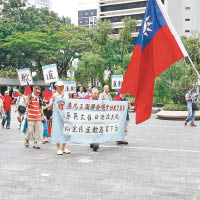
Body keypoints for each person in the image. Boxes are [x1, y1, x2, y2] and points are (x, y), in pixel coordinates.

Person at [50, 80, 71, 155]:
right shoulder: (54, 96)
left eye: (62, 86)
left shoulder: (66, 95)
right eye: (59, 86)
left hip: (65, 115)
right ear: (56, 87)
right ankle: (58, 148)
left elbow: (69, 104)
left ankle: (64, 147)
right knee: (57, 131)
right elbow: (50, 107)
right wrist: (52, 101)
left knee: (66, 131)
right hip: (56, 117)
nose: (61, 88)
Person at [89, 87, 100, 151]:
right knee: (91, 131)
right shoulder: (87, 100)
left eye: (97, 93)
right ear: (91, 93)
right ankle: (92, 142)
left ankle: (96, 143)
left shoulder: (100, 101)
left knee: (96, 130)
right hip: (90, 119)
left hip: (97, 119)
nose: (96, 94)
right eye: (94, 93)